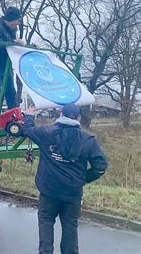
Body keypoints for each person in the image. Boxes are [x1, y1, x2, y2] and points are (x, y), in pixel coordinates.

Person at [23, 104, 109, 254]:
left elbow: (28, 130)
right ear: (79, 118)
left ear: (61, 114)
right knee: (70, 226)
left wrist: (29, 115)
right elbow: (101, 166)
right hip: (72, 192)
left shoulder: (47, 133)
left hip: (49, 191)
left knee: (46, 222)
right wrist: (83, 179)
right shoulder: (88, 140)